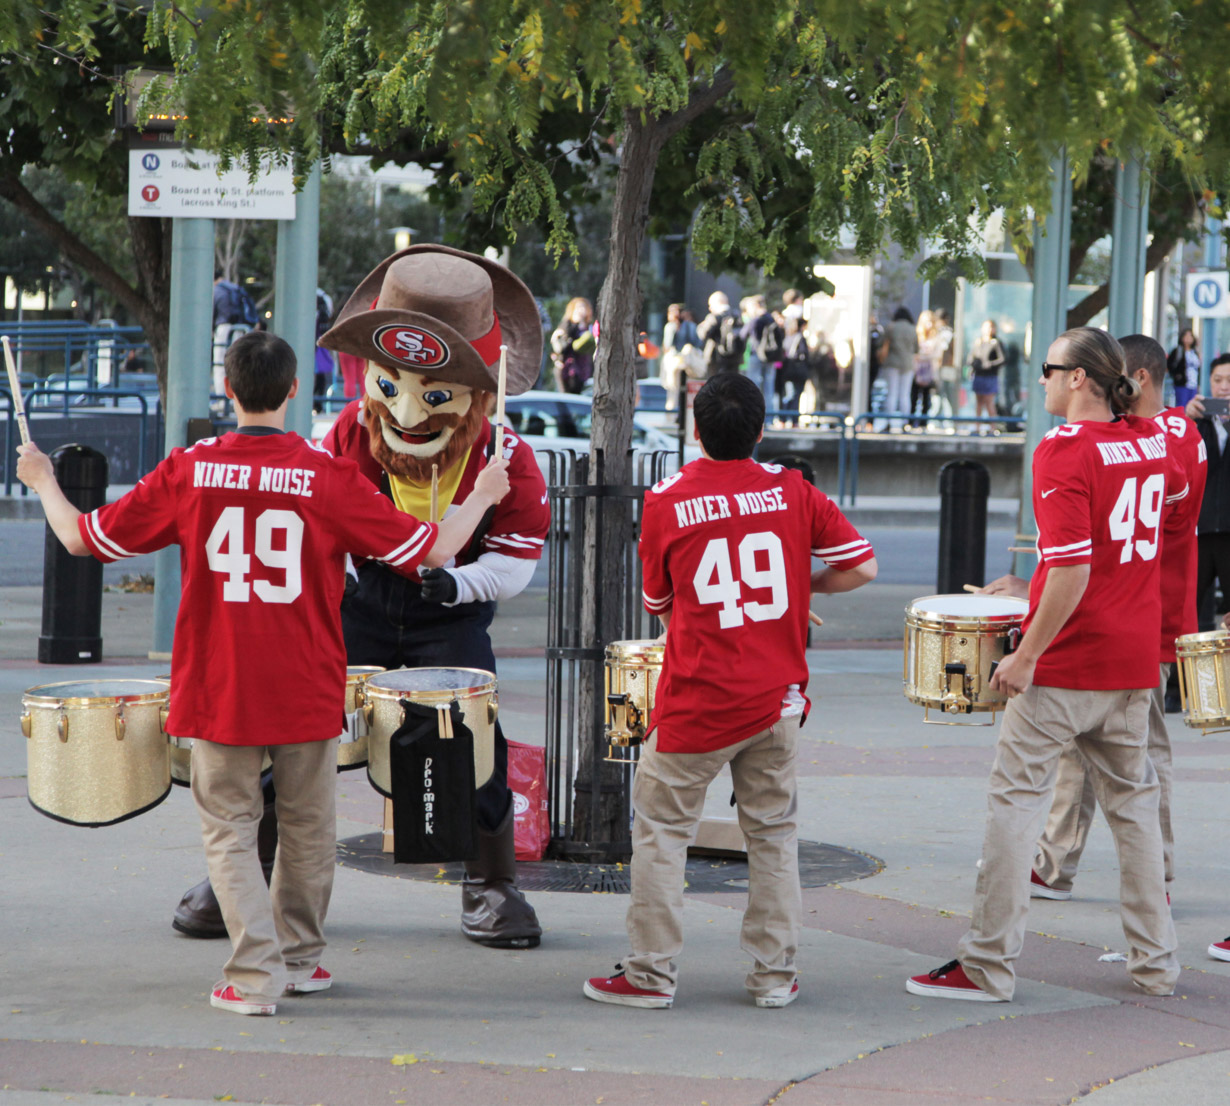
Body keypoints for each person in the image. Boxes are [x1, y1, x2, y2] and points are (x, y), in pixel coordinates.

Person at [15, 330, 511, 1016]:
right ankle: (300, 961)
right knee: (309, 830)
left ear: (229, 389)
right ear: (292, 391)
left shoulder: (190, 469)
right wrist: (483, 493)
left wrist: (42, 480)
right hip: (307, 683)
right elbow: (432, 552)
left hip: (220, 685)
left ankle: (253, 976)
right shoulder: (327, 475)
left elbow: (83, 538)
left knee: (230, 829)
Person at [583, 372, 877, 1010]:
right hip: (775, 699)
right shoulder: (792, 490)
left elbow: (659, 603)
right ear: (762, 429)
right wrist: (804, 593)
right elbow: (862, 565)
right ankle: (774, 977)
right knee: (772, 834)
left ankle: (650, 975)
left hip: (697, 700)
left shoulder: (666, 499)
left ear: (694, 431)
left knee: (662, 832)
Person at [907, 326, 1182, 1003]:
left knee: (1013, 808)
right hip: (1132, 661)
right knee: (1136, 814)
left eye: (1052, 368)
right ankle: (1157, 964)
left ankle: (988, 965)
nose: (1043, 380)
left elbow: (1071, 569)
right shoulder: (1153, 440)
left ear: (1081, 379)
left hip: (1067, 664)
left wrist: (1026, 654)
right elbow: (1166, 503)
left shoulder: (1062, 452)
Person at [1028, 334, 1205, 905]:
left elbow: (1080, 559)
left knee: (1137, 763)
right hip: (1142, 613)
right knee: (1104, 759)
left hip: (1124, 615)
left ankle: (1154, 877)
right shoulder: (1167, 435)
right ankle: (1065, 867)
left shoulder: (1132, 439)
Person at [1184, 354, 1230, 633]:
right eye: (1217, 380)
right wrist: (1186, 419)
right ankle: (1180, 677)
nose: (1224, 387)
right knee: (1186, 611)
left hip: (1229, 533)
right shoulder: (1193, 425)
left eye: (1229, 380)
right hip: (1197, 533)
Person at [879, 307, 917, 427]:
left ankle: (889, 422)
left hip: (892, 363)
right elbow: (916, 348)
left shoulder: (891, 327)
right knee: (905, 394)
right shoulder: (912, 329)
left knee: (891, 393)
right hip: (907, 364)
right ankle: (906, 422)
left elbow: (881, 343)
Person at [551, 296, 597, 393]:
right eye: (578, 307)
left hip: (582, 367)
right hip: (566, 368)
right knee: (566, 395)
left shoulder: (589, 326)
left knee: (577, 393)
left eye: (583, 307)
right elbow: (559, 344)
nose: (581, 310)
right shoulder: (567, 324)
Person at [968, 319, 1006, 431]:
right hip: (979, 375)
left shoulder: (996, 343)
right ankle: (977, 426)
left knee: (989, 402)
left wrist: (990, 364)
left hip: (990, 376)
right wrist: (976, 364)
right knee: (979, 402)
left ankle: (993, 427)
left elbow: (1002, 359)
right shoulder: (978, 342)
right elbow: (971, 357)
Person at [697, 291, 745, 376]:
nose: (710, 308)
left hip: (716, 357)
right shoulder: (737, 316)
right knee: (732, 383)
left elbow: (704, 334)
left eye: (710, 305)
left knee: (715, 385)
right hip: (734, 357)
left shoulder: (714, 317)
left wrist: (701, 327)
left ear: (717, 303)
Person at [909, 309, 940, 429]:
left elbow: (937, 355)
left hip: (929, 371)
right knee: (914, 396)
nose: (929, 325)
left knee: (926, 398)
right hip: (916, 370)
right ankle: (911, 422)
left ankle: (923, 423)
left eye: (931, 322)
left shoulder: (935, 338)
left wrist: (924, 356)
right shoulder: (917, 335)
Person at [933, 309, 959, 421]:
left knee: (942, 395)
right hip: (946, 367)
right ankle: (944, 420)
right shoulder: (949, 332)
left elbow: (943, 351)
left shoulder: (944, 332)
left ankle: (943, 421)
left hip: (944, 367)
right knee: (942, 395)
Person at [1168, 328, 1200, 409]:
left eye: (1190, 336)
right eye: (1186, 336)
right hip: (1182, 384)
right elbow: (1170, 365)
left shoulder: (1195, 352)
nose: (1189, 338)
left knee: (1192, 406)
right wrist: (1177, 376)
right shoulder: (1177, 351)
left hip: (1193, 384)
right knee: (1182, 406)